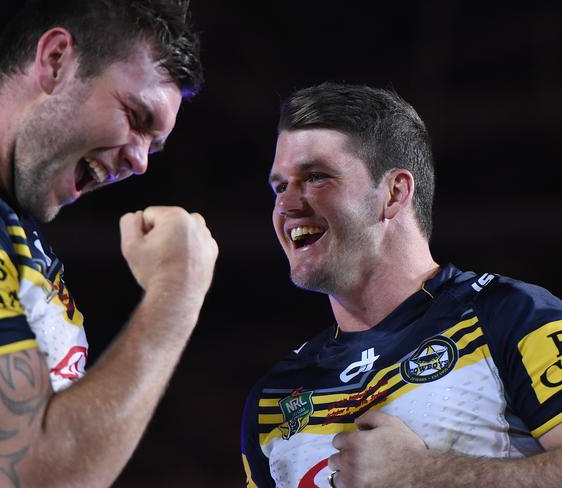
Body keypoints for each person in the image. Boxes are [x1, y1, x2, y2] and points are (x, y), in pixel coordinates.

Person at [0, 1, 218, 486]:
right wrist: (177, 290)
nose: (141, 164)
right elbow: (38, 473)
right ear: (56, 60)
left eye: (154, 148)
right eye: (136, 117)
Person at [240, 82, 562, 487]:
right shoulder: (273, 399)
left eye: (316, 177)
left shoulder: (511, 315)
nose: (286, 205)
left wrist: (426, 475)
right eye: (280, 186)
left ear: (394, 193)